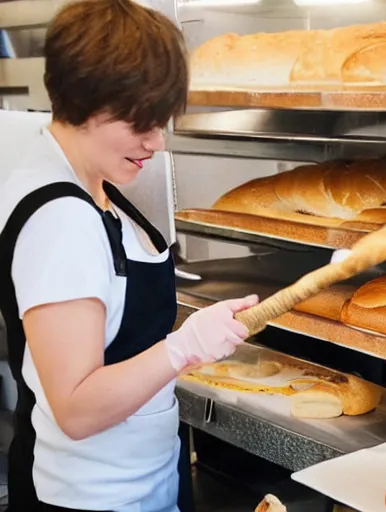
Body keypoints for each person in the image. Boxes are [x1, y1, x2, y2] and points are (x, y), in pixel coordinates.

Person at [0, 0, 258, 510]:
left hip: (137, 480)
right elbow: (75, 408)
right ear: (83, 100)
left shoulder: (86, 175)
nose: (157, 142)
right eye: (141, 122)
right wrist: (182, 348)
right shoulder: (62, 219)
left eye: (161, 121)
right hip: (93, 498)